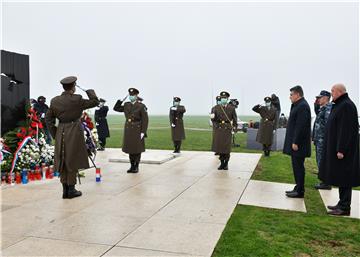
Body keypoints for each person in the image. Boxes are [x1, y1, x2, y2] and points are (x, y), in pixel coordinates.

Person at [46, 76, 99, 199]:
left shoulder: (54, 101)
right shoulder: (77, 99)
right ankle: (71, 189)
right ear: (73, 87)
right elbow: (95, 101)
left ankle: (65, 189)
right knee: (72, 159)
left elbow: (48, 119)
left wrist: (55, 133)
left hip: (61, 131)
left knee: (63, 160)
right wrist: (89, 90)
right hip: (74, 130)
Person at [319, 84, 360, 216]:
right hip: (339, 150)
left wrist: (341, 149)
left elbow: (345, 130)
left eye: (333, 91)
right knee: (341, 178)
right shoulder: (341, 104)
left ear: (340, 92)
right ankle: (341, 203)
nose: (331, 93)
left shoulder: (346, 106)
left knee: (345, 178)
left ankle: (344, 207)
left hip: (344, 152)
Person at [283, 85, 311, 198]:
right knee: (296, 166)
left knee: (298, 167)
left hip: (299, 144)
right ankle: (298, 187)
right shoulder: (298, 105)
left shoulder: (302, 106)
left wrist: (295, 142)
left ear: (298, 94)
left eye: (291, 94)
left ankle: (300, 191)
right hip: (296, 143)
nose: (290, 97)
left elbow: (301, 126)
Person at [113, 88, 149, 173]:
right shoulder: (126, 104)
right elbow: (116, 108)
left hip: (137, 129)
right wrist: (121, 100)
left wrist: (143, 132)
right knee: (130, 148)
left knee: (137, 149)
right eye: (130, 95)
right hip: (129, 130)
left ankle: (136, 166)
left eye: (132, 95)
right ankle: (132, 166)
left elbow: (145, 120)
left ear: (136, 96)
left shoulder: (141, 106)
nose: (131, 96)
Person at [211, 91, 238, 170]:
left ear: (227, 99)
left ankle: (226, 163)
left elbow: (235, 119)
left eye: (225, 98)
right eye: (222, 98)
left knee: (226, 148)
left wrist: (235, 128)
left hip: (227, 129)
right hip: (219, 129)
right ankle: (222, 163)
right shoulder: (216, 108)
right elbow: (213, 120)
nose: (223, 99)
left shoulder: (231, 108)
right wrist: (215, 125)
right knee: (220, 147)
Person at [312, 90, 332, 190]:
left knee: (322, 161)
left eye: (320, 98)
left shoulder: (328, 108)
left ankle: (326, 183)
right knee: (320, 160)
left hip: (323, 140)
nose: (318, 99)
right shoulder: (322, 108)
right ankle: (324, 181)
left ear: (326, 98)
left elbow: (328, 125)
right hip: (319, 140)